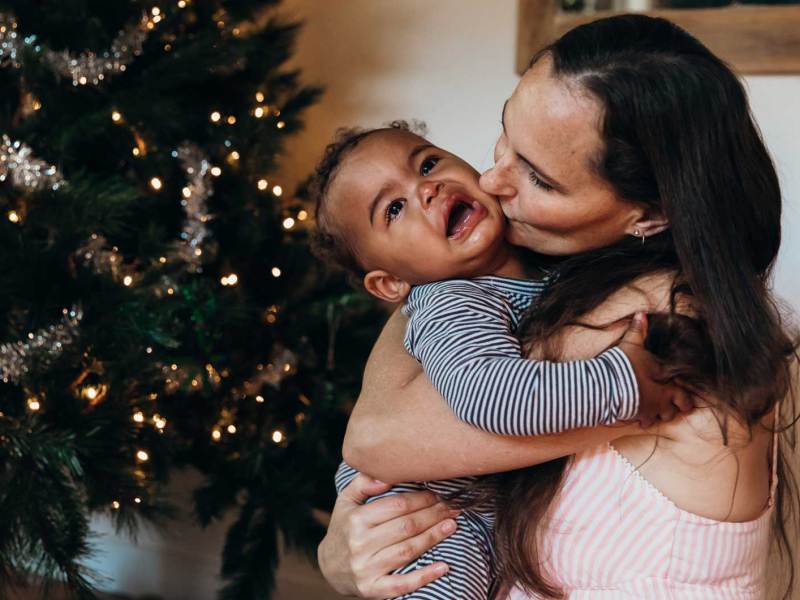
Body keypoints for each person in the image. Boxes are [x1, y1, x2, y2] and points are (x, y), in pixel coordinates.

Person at [318, 14, 798, 600]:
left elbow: (375, 438)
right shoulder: (538, 281)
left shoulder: (652, 319)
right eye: (504, 135)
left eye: (539, 179)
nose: (493, 181)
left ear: (649, 215)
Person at [310, 123, 685, 599]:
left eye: (427, 164)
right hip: (425, 509)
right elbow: (497, 398)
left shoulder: (538, 268)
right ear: (389, 284)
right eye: (395, 208)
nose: (426, 189)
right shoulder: (451, 303)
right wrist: (622, 382)